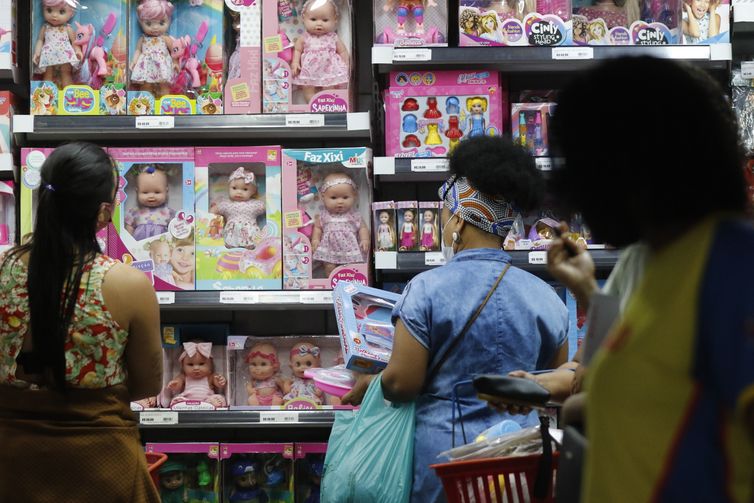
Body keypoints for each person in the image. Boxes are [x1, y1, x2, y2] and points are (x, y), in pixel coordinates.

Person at [550, 56, 754, 502]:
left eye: (585, 165)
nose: (574, 193)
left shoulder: (733, 268)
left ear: (636, 166)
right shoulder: (667, 266)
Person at [342, 136, 570, 503]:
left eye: (446, 214)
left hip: (448, 462)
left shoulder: (427, 288)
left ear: (459, 224)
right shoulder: (547, 296)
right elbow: (555, 384)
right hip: (521, 460)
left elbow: (402, 383)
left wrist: (370, 382)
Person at [0, 142, 162, 501]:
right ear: (103, 213)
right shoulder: (128, 284)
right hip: (101, 464)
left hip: (12, 461)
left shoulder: (3, 269)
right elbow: (147, 383)